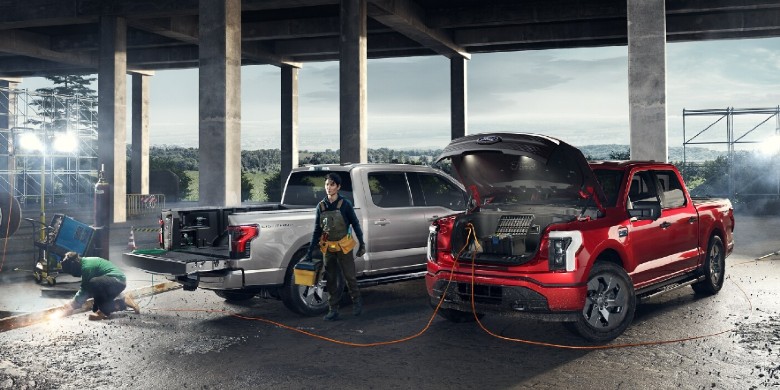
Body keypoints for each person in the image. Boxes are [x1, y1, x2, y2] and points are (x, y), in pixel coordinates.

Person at [306, 173, 366, 321]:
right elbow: (317, 230)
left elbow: (355, 224)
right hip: (328, 248)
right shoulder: (321, 206)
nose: (328, 187)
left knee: (349, 277)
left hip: (344, 246)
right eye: (327, 184)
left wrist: (362, 243)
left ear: (338, 187)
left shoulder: (345, 205)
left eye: (332, 184)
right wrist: (310, 250)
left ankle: (357, 301)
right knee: (331, 279)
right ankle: (333, 310)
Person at [60, 251, 141, 321]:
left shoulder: (87, 267)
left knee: (94, 283)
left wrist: (72, 305)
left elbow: (85, 289)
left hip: (117, 281)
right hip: (113, 282)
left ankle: (103, 312)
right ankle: (122, 301)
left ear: (74, 264)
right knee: (95, 306)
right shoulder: (85, 262)